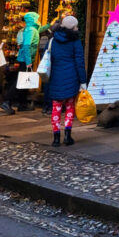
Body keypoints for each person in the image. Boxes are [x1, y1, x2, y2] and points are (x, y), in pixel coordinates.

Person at [48, 14, 87, 146]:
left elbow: (50, 58)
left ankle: (56, 138)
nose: (77, 28)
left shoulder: (53, 40)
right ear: (72, 28)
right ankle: (68, 136)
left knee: (56, 107)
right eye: (76, 26)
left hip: (56, 76)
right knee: (70, 106)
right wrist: (83, 81)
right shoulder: (75, 41)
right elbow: (80, 62)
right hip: (72, 77)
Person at [1, 9, 41, 114]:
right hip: (25, 59)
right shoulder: (31, 30)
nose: (38, 21)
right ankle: (7, 101)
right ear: (33, 20)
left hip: (24, 58)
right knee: (20, 81)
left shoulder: (30, 29)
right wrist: (28, 61)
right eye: (37, 19)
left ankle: (22, 103)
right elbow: (27, 45)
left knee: (24, 81)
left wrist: (50, 24)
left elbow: (38, 31)